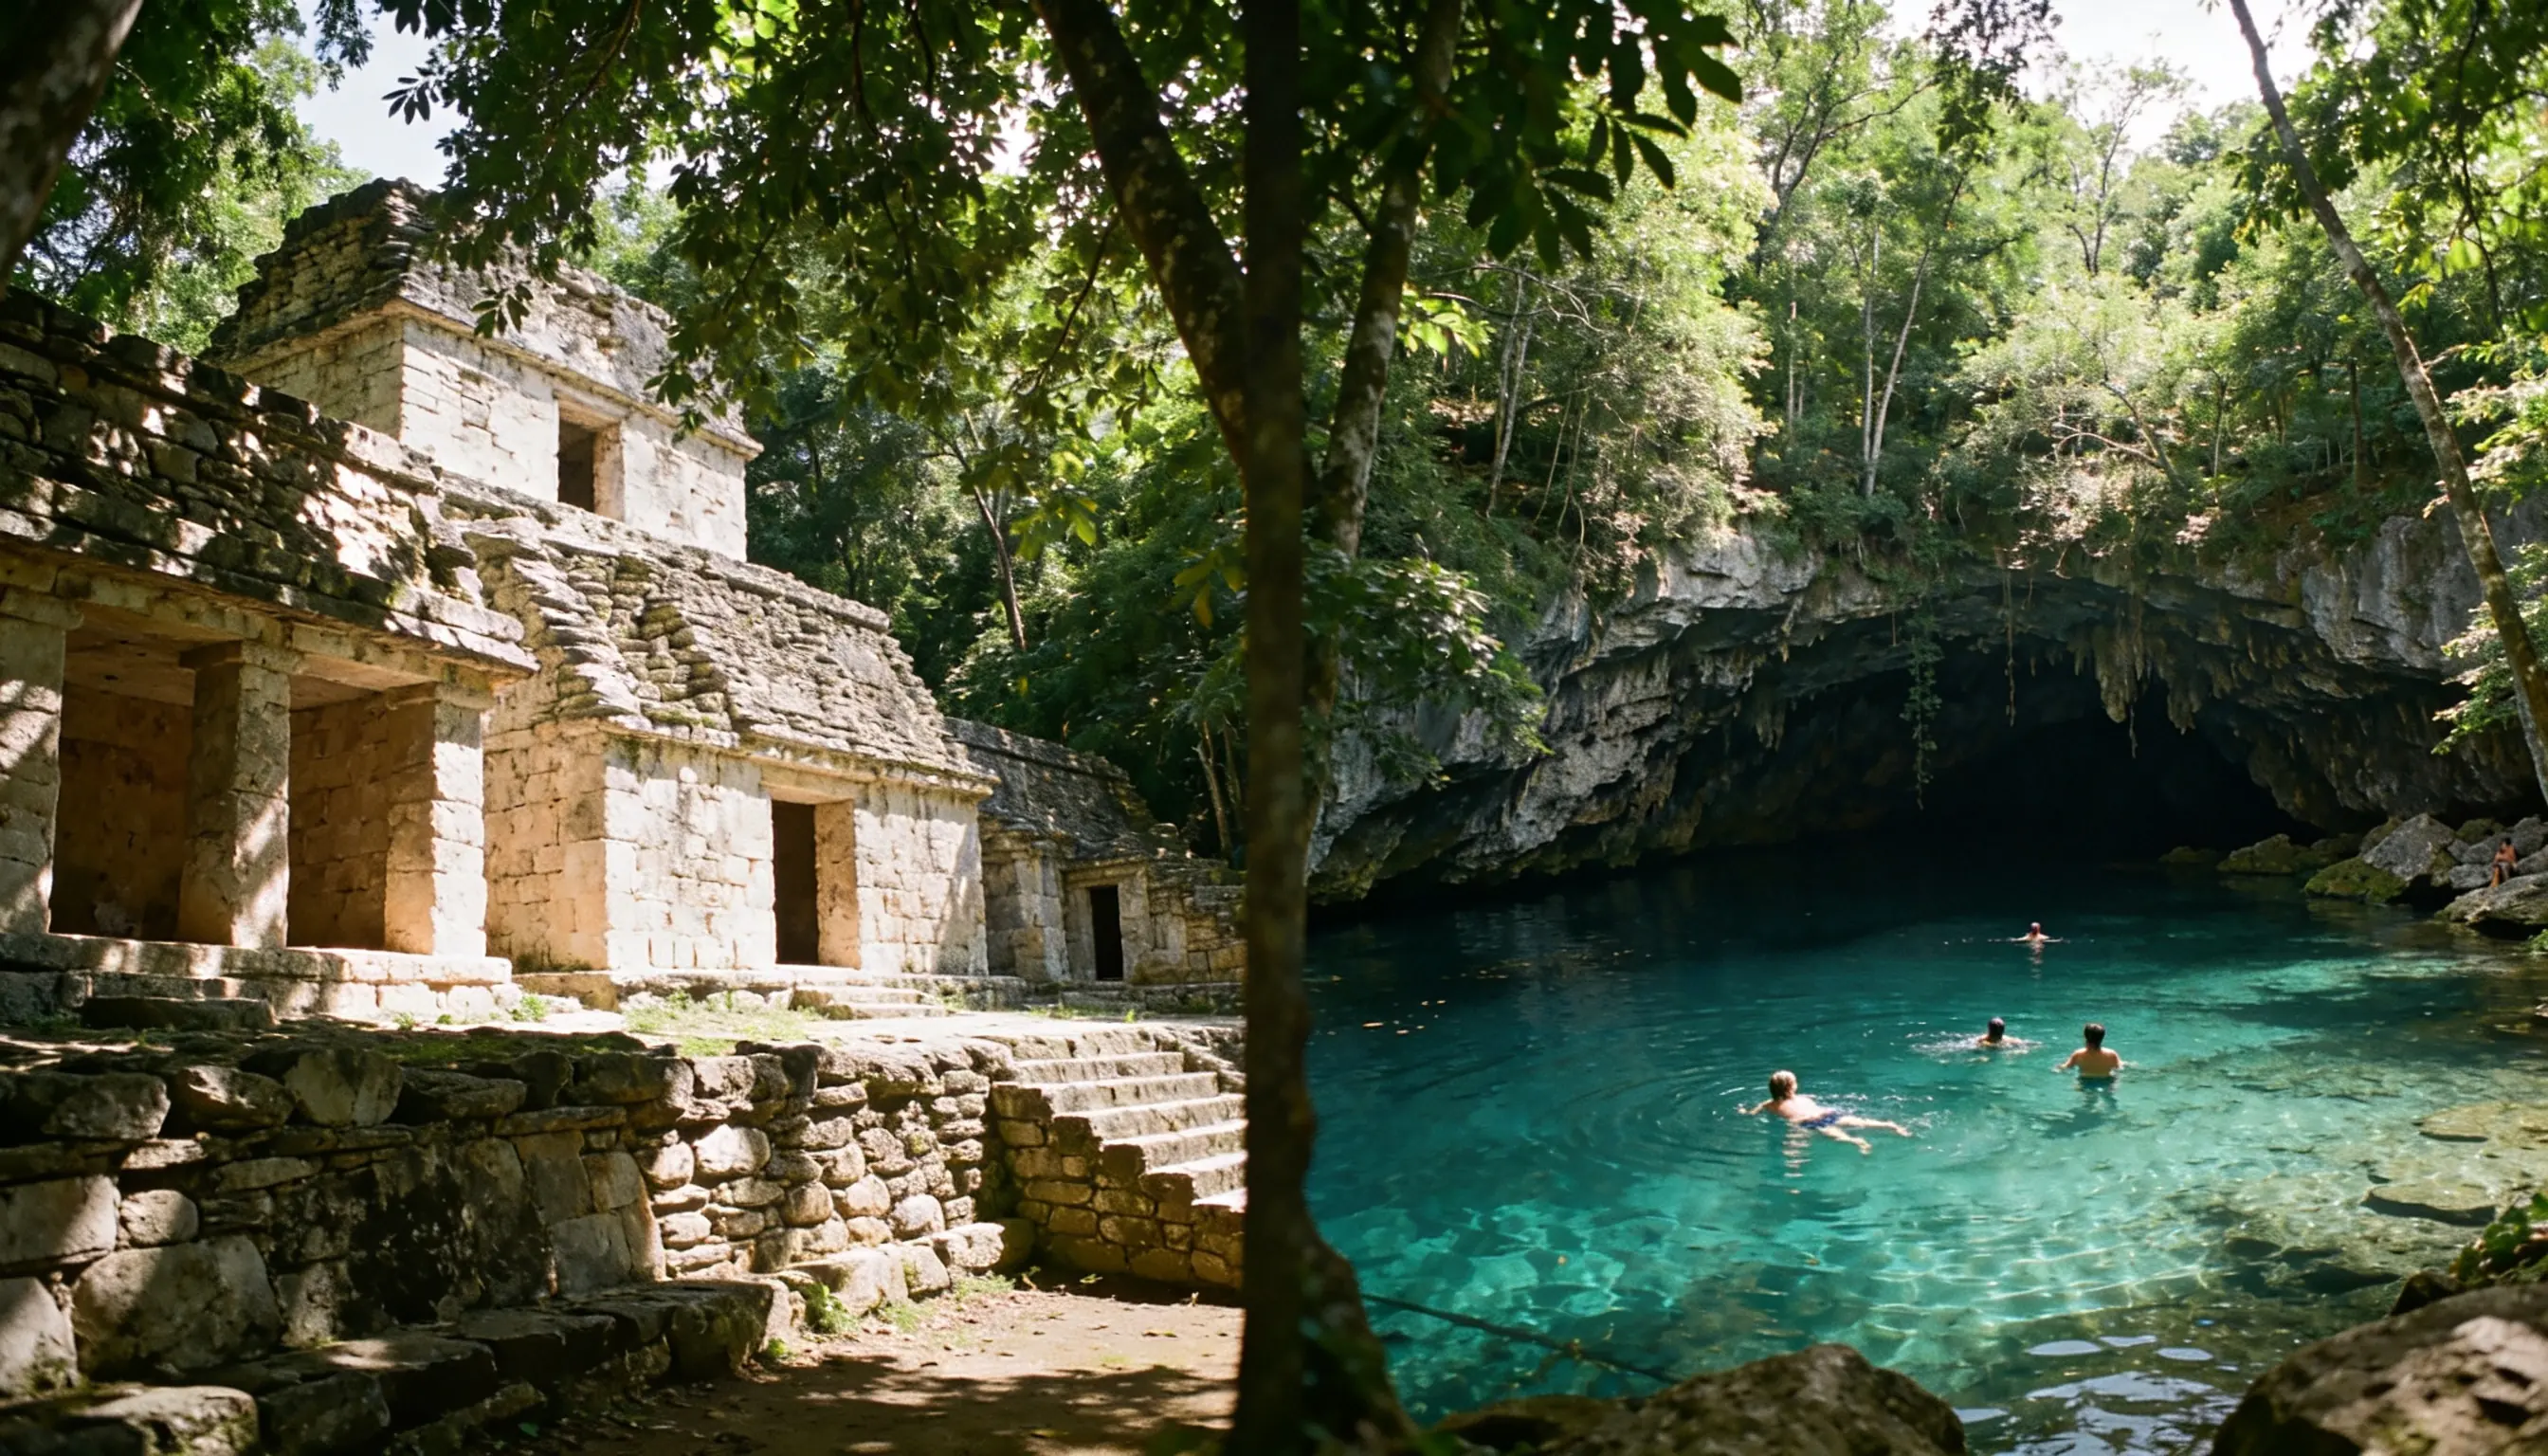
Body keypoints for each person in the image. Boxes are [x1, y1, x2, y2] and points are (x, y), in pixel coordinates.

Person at [1742, 1070, 1912, 1154]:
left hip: (1808, 1121)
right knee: (1859, 1121)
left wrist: (1745, 1112)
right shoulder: (1803, 1098)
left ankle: (1856, 1142)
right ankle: (1888, 1125)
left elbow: (1753, 1113)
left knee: (1834, 1135)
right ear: (1792, 1087)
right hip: (1827, 1113)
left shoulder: (1769, 1105)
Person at [2058, 1023, 2123, 1081]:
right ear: (2102, 1037)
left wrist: (2058, 1067)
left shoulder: (2078, 1054)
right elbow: (2120, 1068)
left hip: (2085, 1081)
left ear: (2085, 1036)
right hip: (2106, 1081)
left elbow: (2066, 1067)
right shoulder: (2111, 1054)